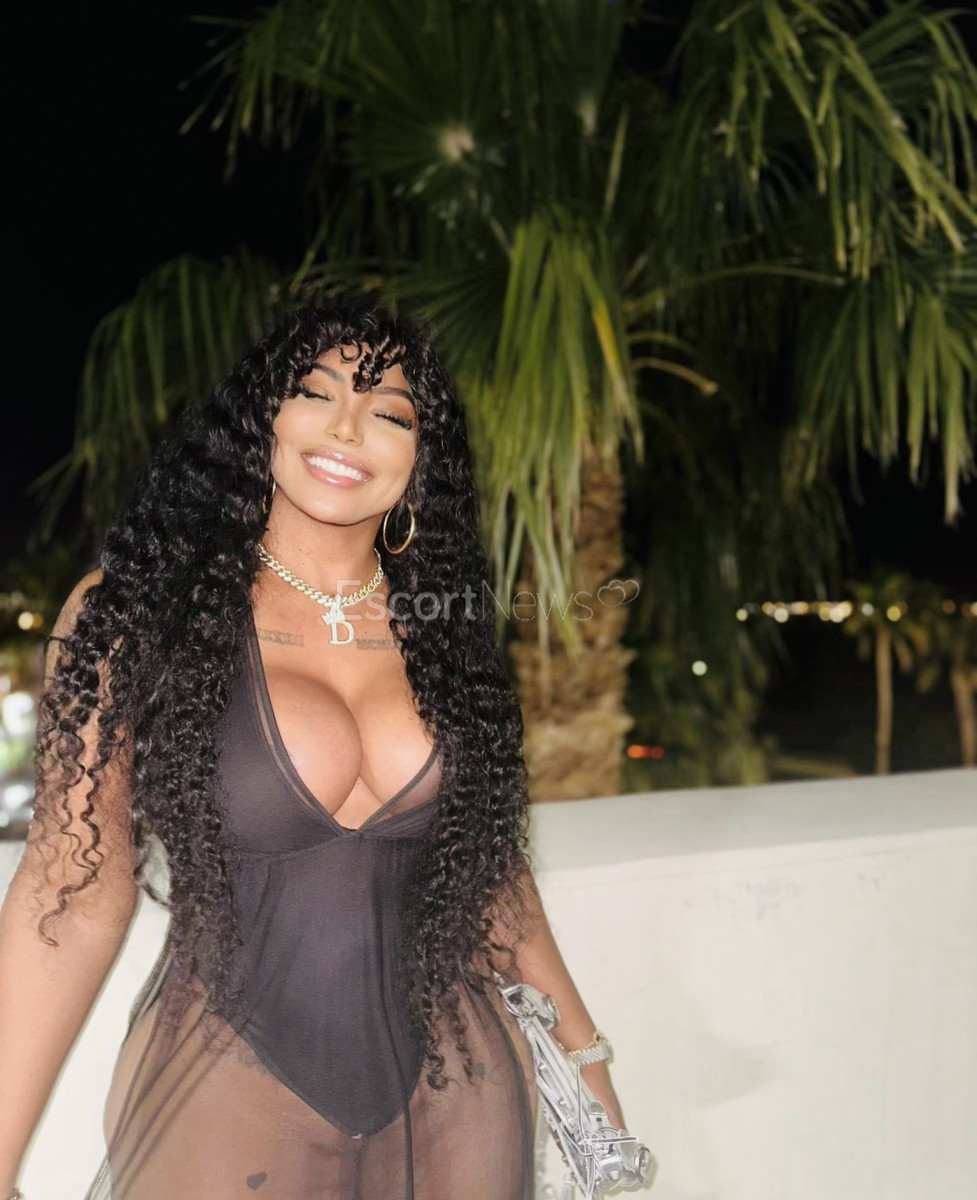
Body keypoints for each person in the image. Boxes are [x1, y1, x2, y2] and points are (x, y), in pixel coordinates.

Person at [0, 302, 626, 1198]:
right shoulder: (140, 613)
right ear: (262, 417)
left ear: (421, 459)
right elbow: (68, 891)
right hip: (226, 1092)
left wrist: (585, 1054)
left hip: (460, 1093)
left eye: (389, 412)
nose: (347, 428)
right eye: (315, 392)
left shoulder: (446, 630)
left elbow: (488, 871)